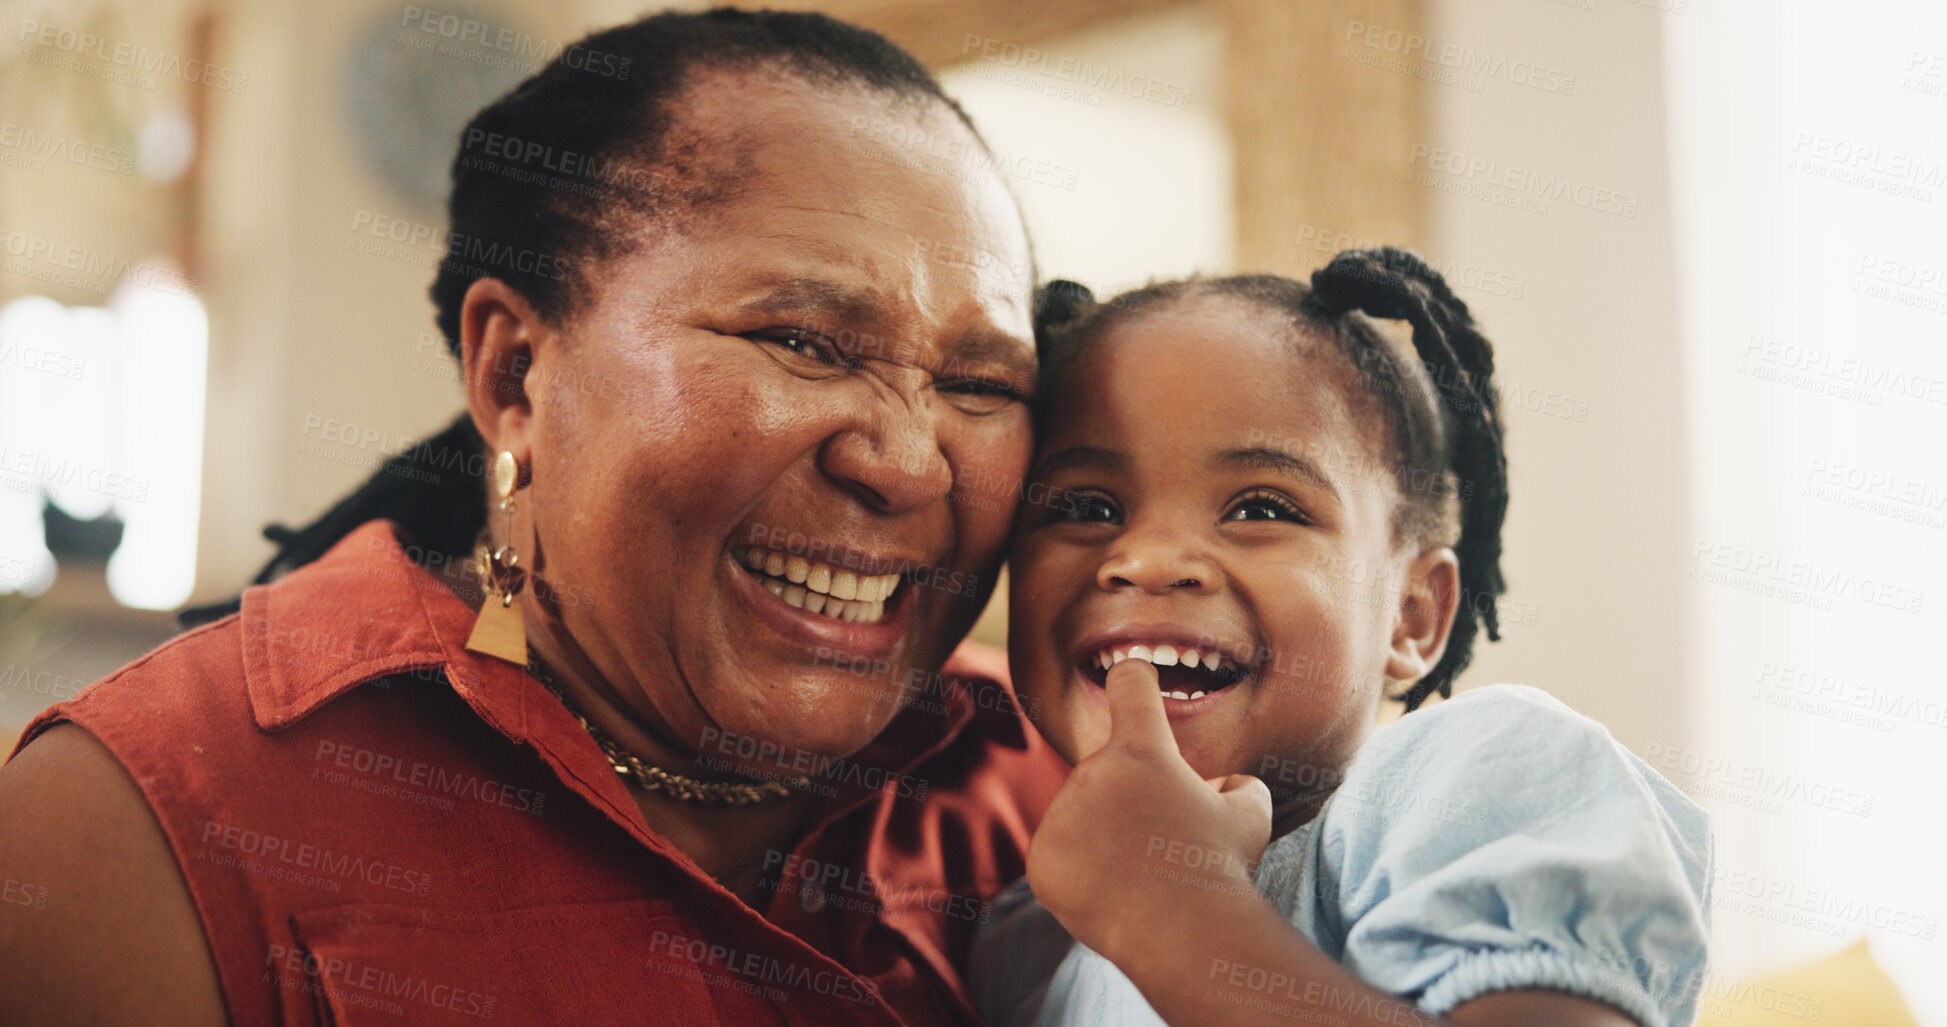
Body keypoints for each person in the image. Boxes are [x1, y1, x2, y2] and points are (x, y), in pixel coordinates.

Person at [0, 9, 1069, 1025]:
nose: (907, 465)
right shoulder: (151, 813)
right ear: (517, 374)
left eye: (981, 381)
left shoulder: (1051, 788)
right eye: (804, 341)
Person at [969, 249, 1713, 1027]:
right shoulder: (1022, 939)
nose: (1148, 559)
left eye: (1259, 508)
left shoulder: (1480, 785)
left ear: (1411, 615)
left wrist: (1171, 913)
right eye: (1086, 505)